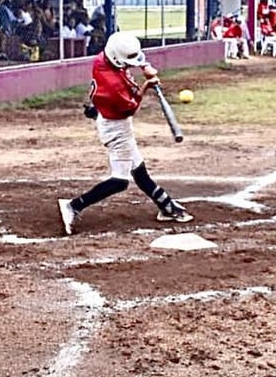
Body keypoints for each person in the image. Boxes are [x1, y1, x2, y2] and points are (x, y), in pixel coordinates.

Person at [57, 32, 193, 235]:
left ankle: (166, 206)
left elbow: (131, 57)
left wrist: (145, 66)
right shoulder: (113, 85)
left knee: (139, 170)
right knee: (120, 181)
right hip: (116, 126)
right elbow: (131, 107)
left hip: (109, 117)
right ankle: (73, 206)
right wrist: (147, 85)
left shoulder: (103, 58)